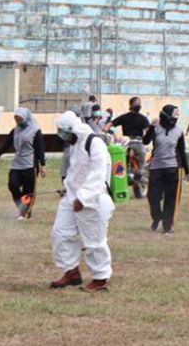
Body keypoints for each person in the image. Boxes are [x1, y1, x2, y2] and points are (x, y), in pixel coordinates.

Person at [50, 111, 115, 292]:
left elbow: (98, 173)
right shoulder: (75, 144)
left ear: (75, 129)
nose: (63, 137)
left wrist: (83, 197)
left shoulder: (94, 143)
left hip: (93, 199)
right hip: (71, 197)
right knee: (61, 233)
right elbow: (76, 172)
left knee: (94, 240)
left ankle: (101, 278)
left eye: (65, 133)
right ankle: (71, 272)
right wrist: (68, 189)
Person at [0, 108, 46, 219]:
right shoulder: (15, 130)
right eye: (16, 119)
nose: (18, 122)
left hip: (30, 165)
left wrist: (43, 165)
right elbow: (7, 144)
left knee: (27, 191)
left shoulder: (35, 130)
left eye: (20, 119)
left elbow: (40, 148)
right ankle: (23, 208)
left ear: (26, 118)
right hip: (17, 164)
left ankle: (24, 212)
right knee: (12, 185)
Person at [144, 105, 189, 234]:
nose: (174, 120)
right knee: (153, 196)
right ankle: (157, 216)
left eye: (176, 117)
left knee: (171, 198)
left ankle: (167, 226)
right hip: (156, 167)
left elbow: (182, 152)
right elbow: (145, 141)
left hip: (173, 168)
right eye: (172, 117)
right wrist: (151, 127)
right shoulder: (156, 128)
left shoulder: (179, 131)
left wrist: (187, 170)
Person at [104, 97, 150, 182]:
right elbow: (111, 123)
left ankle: (140, 172)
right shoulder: (125, 117)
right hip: (126, 141)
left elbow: (148, 131)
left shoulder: (142, 118)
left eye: (139, 104)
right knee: (118, 155)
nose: (138, 106)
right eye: (136, 104)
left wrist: (149, 136)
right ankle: (119, 173)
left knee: (142, 152)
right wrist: (105, 130)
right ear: (131, 105)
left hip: (138, 141)